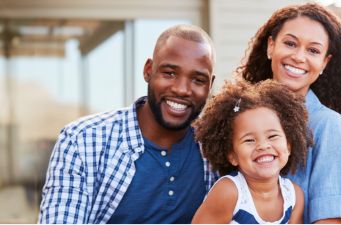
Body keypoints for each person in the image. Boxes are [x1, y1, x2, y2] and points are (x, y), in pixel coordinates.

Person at [38, 24, 217, 223]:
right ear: (148, 70)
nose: (182, 89)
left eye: (198, 80)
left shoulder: (217, 148)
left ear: (210, 85)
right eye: (170, 73)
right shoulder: (82, 141)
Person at [238, 3, 341, 223]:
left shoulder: (329, 126)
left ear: (324, 62)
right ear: (271, 46)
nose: (299, 57)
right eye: (290, 43)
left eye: (313, 50)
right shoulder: (239, 117)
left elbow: (331, 221)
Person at [191, 80, 311, 224]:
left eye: (272, 136)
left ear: (289, 146)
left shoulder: (294, 196)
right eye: (249, 140)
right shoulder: (229, 192)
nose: (263, 146)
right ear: (232, 155)